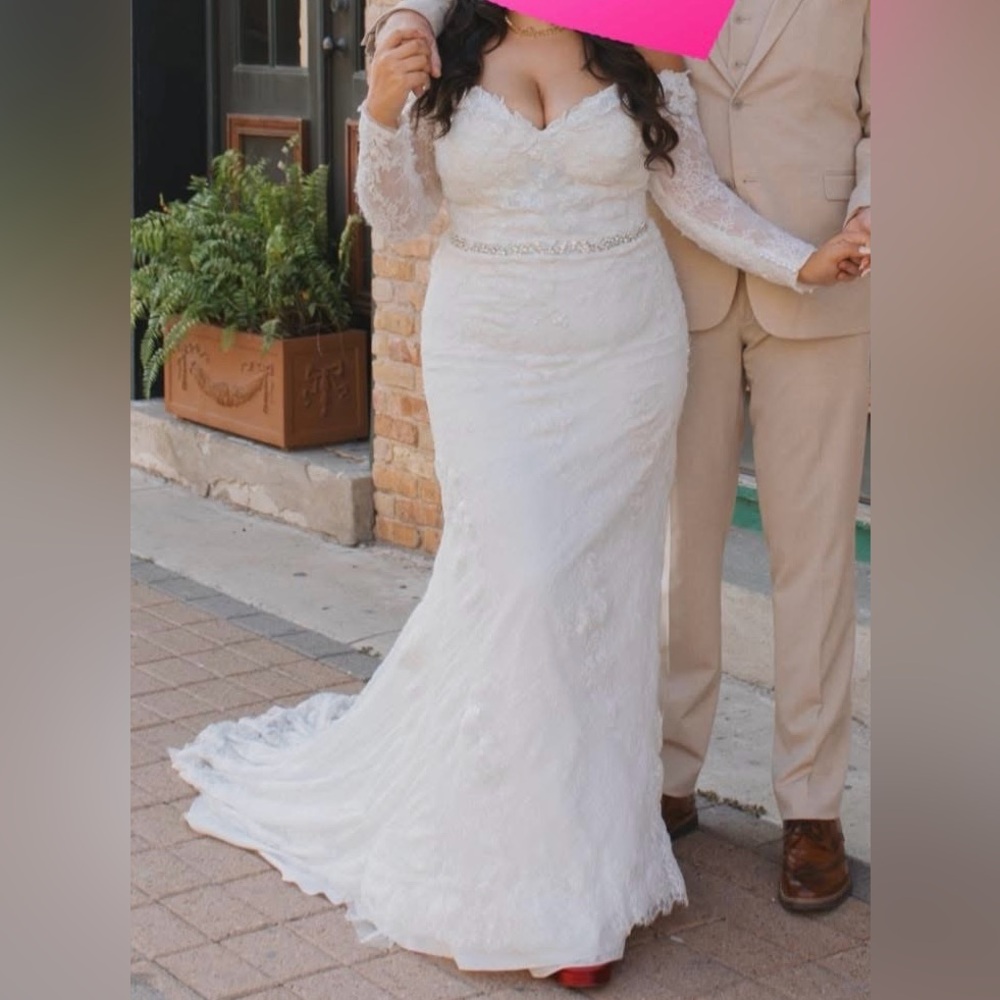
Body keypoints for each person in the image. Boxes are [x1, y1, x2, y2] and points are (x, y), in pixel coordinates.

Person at [171, 2, 867, 988]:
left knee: (599, 606)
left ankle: (583, 874)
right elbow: (402, 212)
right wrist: (377, 105)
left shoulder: (638, 43)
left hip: (622, 357)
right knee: (526, 586)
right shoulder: (443, 48)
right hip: (487, 355)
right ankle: (516, 858)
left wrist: (799, 260)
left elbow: (694, 194)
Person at [375, 0, 872, 913]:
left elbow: (896, 116)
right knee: (664, 557)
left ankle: (812, 811)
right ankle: (661, 774)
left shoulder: (654, 28)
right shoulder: (501, 36)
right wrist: (392, 43)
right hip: (655, 300)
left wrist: (850, 233)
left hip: (808, 279)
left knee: (816, 560)